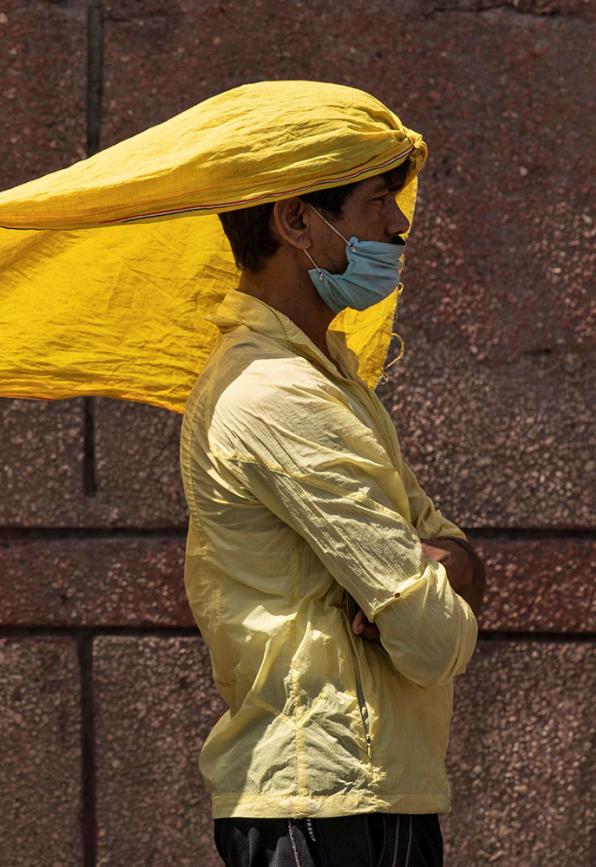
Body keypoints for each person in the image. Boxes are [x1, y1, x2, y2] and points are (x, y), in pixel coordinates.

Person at [180, 154, 487, 866]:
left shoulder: (333, 379)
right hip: (321, 804)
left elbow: (451, 554)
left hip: (367, 796)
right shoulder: (278, 392)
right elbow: (435, 635)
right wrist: (442, 575)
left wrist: (448, 565)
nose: (400, 224)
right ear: (295, 220)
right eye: (378, 201)